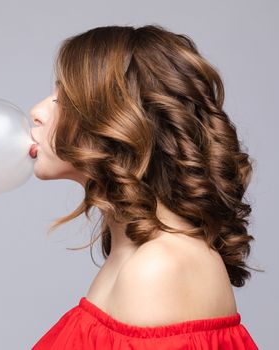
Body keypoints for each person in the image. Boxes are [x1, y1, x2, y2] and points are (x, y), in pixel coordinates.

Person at [29, 24, 261, 349]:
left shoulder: (159, 267)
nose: (37, 112)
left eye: (62, 98)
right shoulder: (132, 253)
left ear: (118, 120)